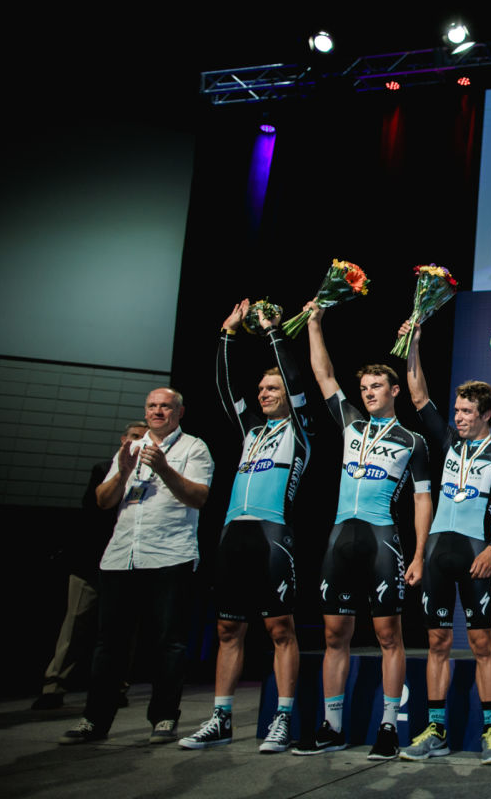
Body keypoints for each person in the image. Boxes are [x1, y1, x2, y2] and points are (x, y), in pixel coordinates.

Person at [291, 303, 432, 758]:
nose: (369, 393)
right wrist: (314, 324)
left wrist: (419, 555)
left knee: (389, 636)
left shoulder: (413, 441)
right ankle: (332, 726)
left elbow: (422, 500)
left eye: (377, 386)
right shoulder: (351, 423)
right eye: (365, 388)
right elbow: (323, 374)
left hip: (381, 542)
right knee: (335, 635)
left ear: (395, 390)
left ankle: (388, 727)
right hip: (339, 541)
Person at [179, 300, 314, 753]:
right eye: (260, 389)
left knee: (280, 630)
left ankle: (282, 719)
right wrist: (227, 334)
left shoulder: (300, 431)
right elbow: (224, 388)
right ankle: (220, 719)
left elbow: (295, 378)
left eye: (271, 388)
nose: (263, 394)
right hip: (232, 535)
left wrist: (274, 332)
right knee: (226, 630)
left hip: (273, 536)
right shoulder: (251, 432)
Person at [59, 389, 213, 745]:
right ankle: (94, 720)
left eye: (165, 406)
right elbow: (103, 500)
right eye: (152, 406)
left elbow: (198, 497)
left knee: (168, 643)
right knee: (108, 644)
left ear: (179, 412)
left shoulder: (194, 447)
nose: (158, 411)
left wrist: (163, 468)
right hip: (121, 555)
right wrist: (123, 472)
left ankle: (164, 718)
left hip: (170, 554)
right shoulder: (129, 449)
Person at [399, 321, 491, 762]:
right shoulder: (449, 441)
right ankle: (436, 730)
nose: (459, 417)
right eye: (457, 411)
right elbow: (418, 396)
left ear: (486, 414)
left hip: (475, 556)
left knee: (481, 645)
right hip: (436, 554)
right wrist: (413, 343)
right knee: (436, 643)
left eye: (467, 412)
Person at [36, 421, 147, 711]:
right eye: (135, 436)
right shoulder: (103, 469)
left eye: (144, 437)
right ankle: (54, 686)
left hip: (128, 561)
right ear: (124, 439)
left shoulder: (151, 474)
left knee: (123, 628)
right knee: (75, 624)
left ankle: (117, 686)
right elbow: (95, 508)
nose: (139, 441)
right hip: (91, 559)